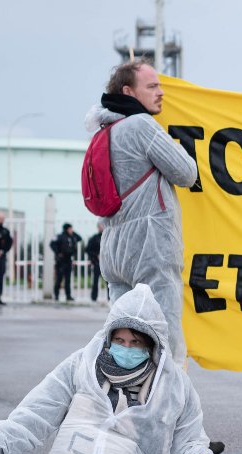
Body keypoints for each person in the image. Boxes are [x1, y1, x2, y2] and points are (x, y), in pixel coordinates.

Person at [0, 284, 215, 454]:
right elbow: (34, 414)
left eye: (135, 342)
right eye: (120, 340)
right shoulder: (81, 364)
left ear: (151, 345)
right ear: (109, 338)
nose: (126, 348)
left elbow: (187, 445)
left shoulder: (174, 385)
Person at [88, 59, 198, 360]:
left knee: (123, 337)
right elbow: (186, 173)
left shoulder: (103, 132)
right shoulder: (140, 125)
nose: (161, 92)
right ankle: (167, 389)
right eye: (152, 86)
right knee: (164, 337)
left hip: (113, 248)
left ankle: (121, 385)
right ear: (128, 92)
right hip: (150, 247)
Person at [50, 223, 82, 301]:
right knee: (59, 279)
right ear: (66, 229)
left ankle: (68, 296)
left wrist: (73, 233)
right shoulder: (60, 236)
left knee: (68, 280)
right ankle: (56, 295)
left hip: (68, 260)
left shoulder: (72, 236)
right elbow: (52, 244)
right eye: (70, 229)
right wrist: (58, 253)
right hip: (61, 261)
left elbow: (80, 238)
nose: (71, 230)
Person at [86, 224, 103, 302]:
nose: (101, 228)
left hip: (107, 264)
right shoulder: (94, 238)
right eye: (100, 226)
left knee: (110, 281)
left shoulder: (108, 236)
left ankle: (110, 298)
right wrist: (96, 255)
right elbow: (88, 250)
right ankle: (94, 297)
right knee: (95, 280)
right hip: (97, 263)